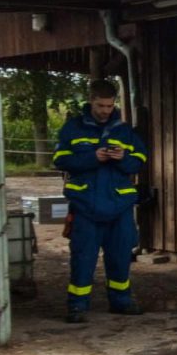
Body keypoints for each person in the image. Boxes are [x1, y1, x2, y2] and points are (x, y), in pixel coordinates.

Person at [53, 79, 147, 323]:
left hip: (119, 207)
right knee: (83, 258)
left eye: (109, 106)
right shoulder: (72, 129)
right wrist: (93, 157)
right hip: (85, 206)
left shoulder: (125, 131)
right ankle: (77, 306)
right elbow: (61, 160)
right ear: (91, 101)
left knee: (120, 256)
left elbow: (138, 161)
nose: (105, 110)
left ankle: (121, 301)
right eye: (101, 106)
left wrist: (121, 157)